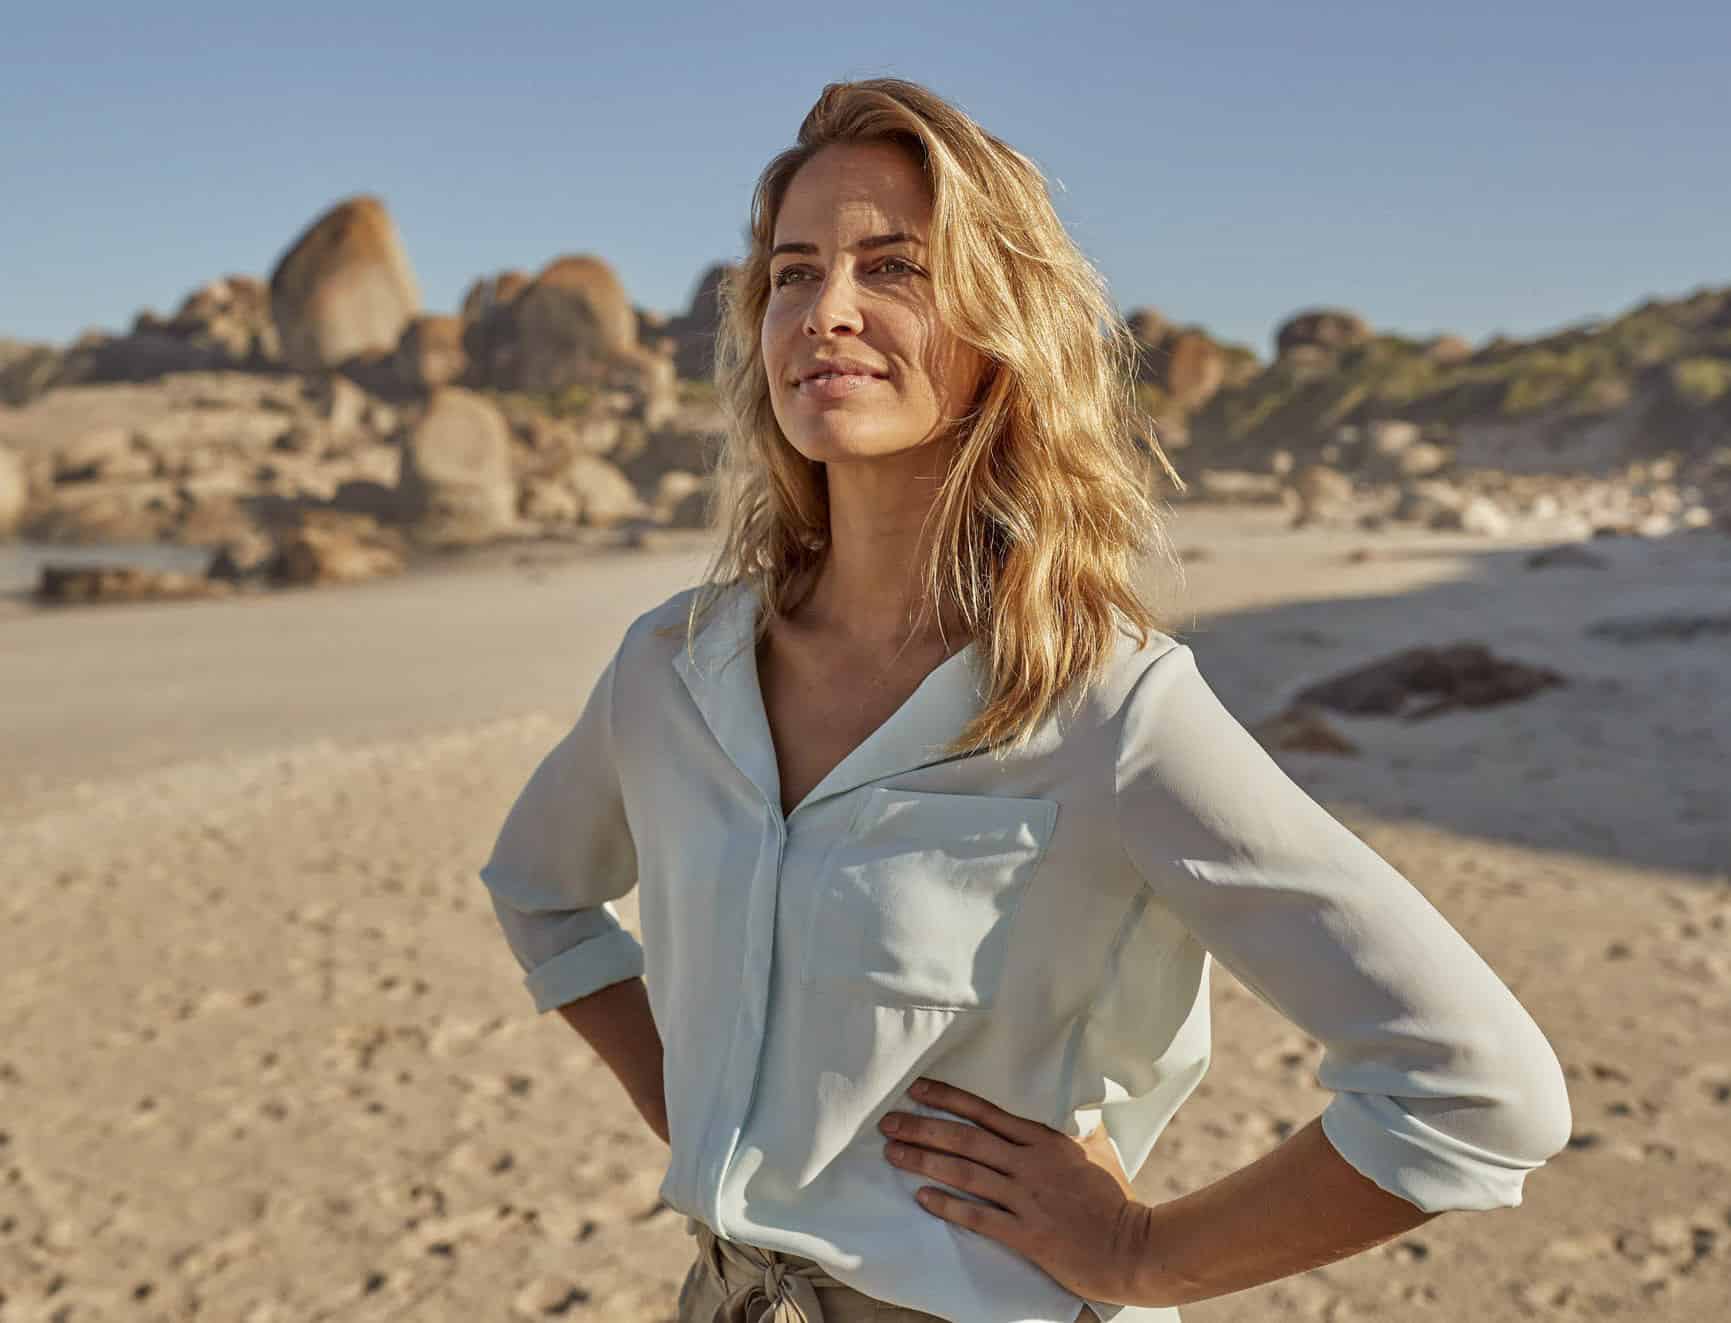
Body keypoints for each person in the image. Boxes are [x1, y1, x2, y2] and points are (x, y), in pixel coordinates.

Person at [477, 77, 1573, 1323]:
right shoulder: (673, 667)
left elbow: (1476, 1089)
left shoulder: (1107, 705)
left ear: (1004, 324)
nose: (825, 311)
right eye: (792, 272)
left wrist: (1144, 1255)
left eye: (893, 267)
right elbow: (542, 895)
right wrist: (709, 1116)